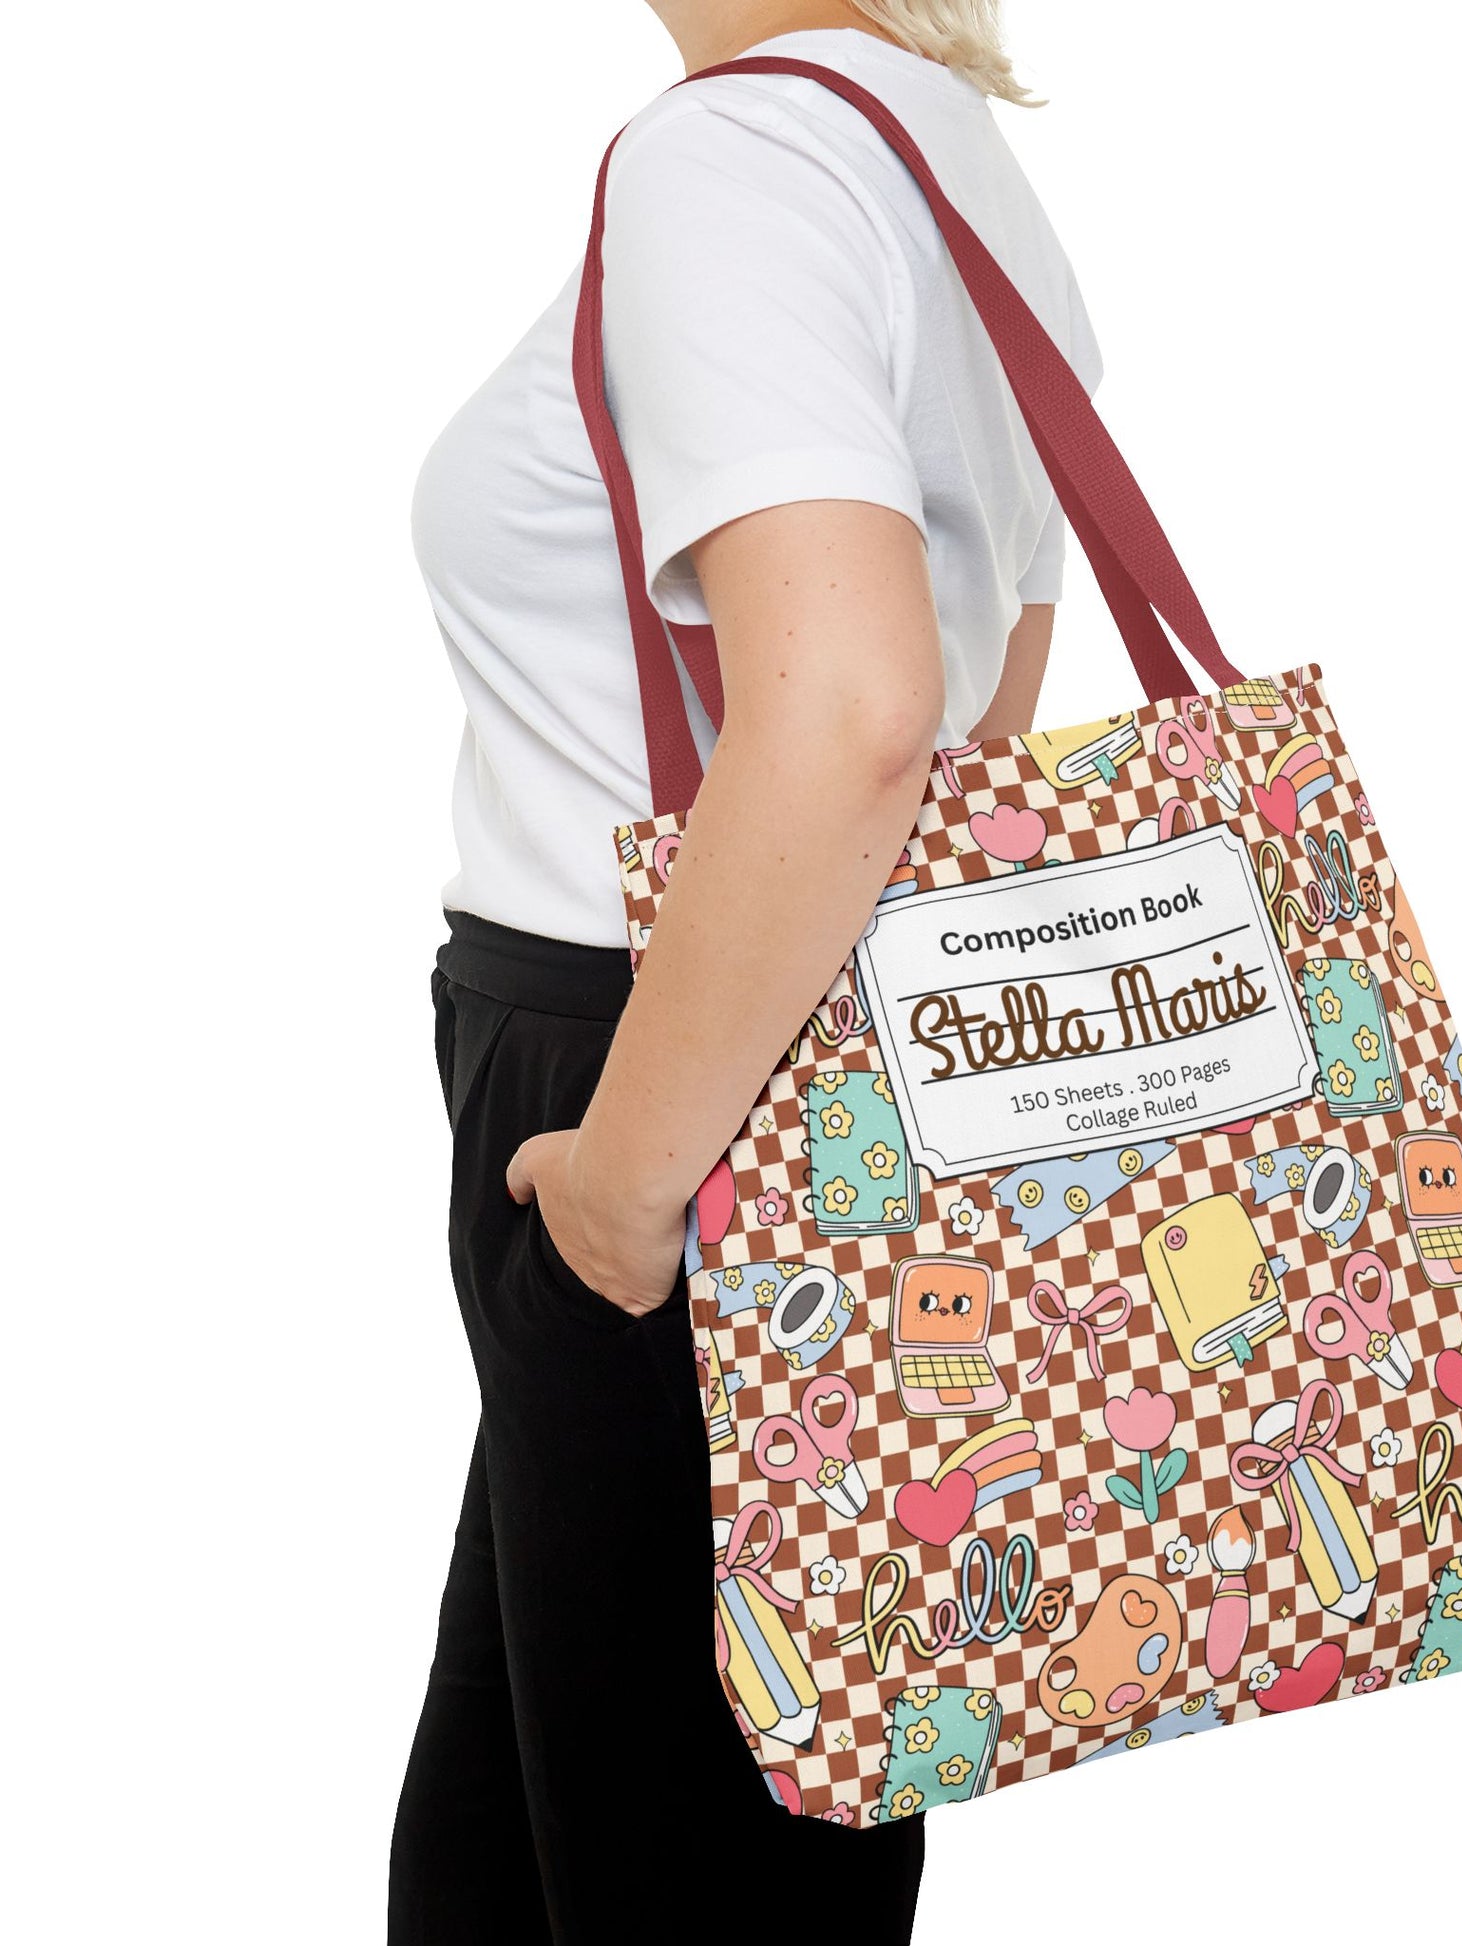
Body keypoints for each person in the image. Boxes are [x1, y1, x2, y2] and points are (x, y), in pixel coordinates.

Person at [391, 4, 1097, 1939]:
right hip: (782, 1050)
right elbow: (987, 695)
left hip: (655, 1084)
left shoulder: (736, 159)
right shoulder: (936, 145)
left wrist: (626, 1191)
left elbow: (863, 708)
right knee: (545, 1839)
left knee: (668, 1869)